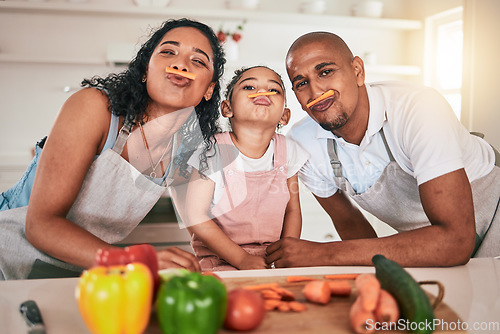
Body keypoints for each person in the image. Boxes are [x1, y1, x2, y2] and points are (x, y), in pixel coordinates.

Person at [0, 18, 226, 279]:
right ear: (145, 71)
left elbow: (199, 220)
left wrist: (244, 261)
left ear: (208, 90)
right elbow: (41, 226)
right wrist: (133, 260)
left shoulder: (183, 149)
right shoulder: (94, 108)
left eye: (197, 61)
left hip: (79, 272)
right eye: (168, 52)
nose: (181, 64)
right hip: (8, 255)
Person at [266, 31, 500, 268]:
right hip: (430, 249)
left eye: (325, 72)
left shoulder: (418, 108)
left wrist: (323, 254)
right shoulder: (302, 143)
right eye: (302, 83)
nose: (315, 92)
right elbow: (350, 225)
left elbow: (455, 241)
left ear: (358, 70)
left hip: (492, 221)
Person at [179, 66, 308, 271]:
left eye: (274, 90)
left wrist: (287, 255)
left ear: (284, 116)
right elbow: (195, 215)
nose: (262, 92)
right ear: (227, 108)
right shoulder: (213, 150)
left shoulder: (288, 150)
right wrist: (241, 260)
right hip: (220, 260)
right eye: (249, 86)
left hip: (272, 261)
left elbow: (292, 210)